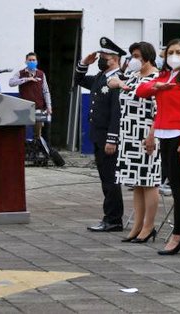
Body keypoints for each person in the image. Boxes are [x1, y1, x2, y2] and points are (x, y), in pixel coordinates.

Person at [135, 38, 180, 257]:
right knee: (173, 184)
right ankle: (179, 233)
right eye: (170, 52)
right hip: (164, 134)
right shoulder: (164, 76)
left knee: (179, 187)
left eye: (179, 52)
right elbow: (141, 91)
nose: (174, 56)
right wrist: (157, 85)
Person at [109, 42, 161, 243]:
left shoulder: (156, 78)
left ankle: (149, 226)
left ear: (147, 57)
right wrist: (119, 83)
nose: (133, 60)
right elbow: (112, 82)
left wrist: (152, 135)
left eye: (137, 56)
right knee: (137, 183)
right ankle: (137, 225)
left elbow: (159, 110)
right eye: (131, 56)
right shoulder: (132, 76)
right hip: (129, 134)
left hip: (147, 133)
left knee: (149, 182)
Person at [75, 37, 126, 232]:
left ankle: (113, 219)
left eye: (104, 56)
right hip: (97, 136)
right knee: (105, 179)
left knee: (111, 179)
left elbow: (117, 112)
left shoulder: (118, 79)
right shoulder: (100, 77)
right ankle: (109, 218)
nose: (100, 59)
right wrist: (83, 64)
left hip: (108, 138)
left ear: (115, 58)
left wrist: (112, 138)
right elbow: (78, 80)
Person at [9, 52, 52, 143]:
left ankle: (36, 150)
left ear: (36, 61)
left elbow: (46, 91)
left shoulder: (41, 74)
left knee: (38, 133)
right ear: (26, 61)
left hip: (38, 107)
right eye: (30, 60)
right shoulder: (21, 73)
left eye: (33, 60)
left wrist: (49, 106)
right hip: (24, 108)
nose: (32, 62)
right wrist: (26, 79)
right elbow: (11, 83)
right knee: (21, 132)